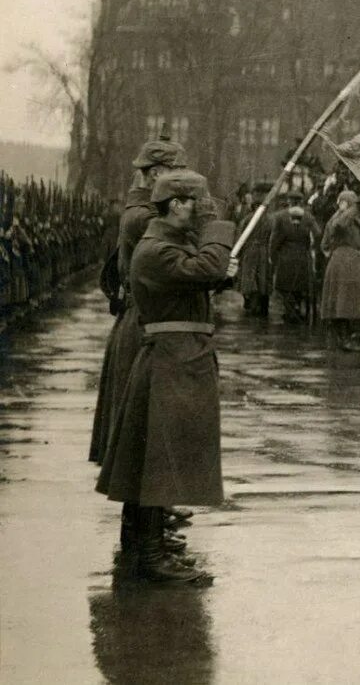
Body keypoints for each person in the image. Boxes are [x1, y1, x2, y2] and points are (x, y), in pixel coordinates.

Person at [95, 169, 239, 583]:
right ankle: (151, 558)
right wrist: (218, 234)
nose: (203, 212)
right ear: (176, 204)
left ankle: (147, 548)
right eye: (198, 203)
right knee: (157, 463)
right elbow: (204, 265)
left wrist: (219, 273)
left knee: (154, 461)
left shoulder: (164, 245)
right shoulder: (156, 249)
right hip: (169, 361)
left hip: (176, 359)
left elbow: (200, 275)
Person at [91, 138, 187, 467]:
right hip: (143, 321)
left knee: (146, 422)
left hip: (144, 318)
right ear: (156, 173)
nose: (184, 180)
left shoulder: (146, 210)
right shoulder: (144, 216)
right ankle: (147, 510)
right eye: (178, 172)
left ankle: (151, 507)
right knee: (141, 426)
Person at [319, 190, 360, 352]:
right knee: (347, 301)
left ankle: (345, 337)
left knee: (344, 301)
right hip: (348, 264)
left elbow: (324, 245)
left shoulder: (341, 219)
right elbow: (338, 227)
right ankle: (346, 338)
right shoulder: (342, 219)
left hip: (343, 262)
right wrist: (349, 210)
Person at [269, 197, 319, 324]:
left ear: (290, 202)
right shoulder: (309, 217)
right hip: (303, 256)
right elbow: (318, 234)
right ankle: (296, 308)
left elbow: (274, 239)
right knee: (299, 285)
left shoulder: (280, 216)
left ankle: (291, 311)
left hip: (285, 257)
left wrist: (273, 256)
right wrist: (310, 247)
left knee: (285, 287)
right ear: (301, 202)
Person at [235, 182, 274, 318]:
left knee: (249, 278)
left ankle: (250, 304)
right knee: (263, 278)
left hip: (250, 251)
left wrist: (238, 255)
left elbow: (240, 237)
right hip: (264, 251)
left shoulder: (247, 219)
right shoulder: (271, 220)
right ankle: (263, 306)